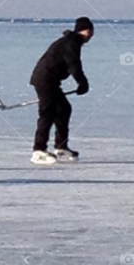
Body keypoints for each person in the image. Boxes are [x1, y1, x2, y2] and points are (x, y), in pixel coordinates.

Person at [29, 17, 93, 164]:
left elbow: (72, 65)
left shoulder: (73, 42)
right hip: (44, 80)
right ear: (80, 31)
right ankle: (38, 150)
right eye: (87, 30)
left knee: (64, 109)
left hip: (51, 81)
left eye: (91, 30)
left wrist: (81, 82)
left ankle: (61, 147)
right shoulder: (71, 43)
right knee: (47, 113)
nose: (90, 34)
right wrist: (82, 83)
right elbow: (74, 65)